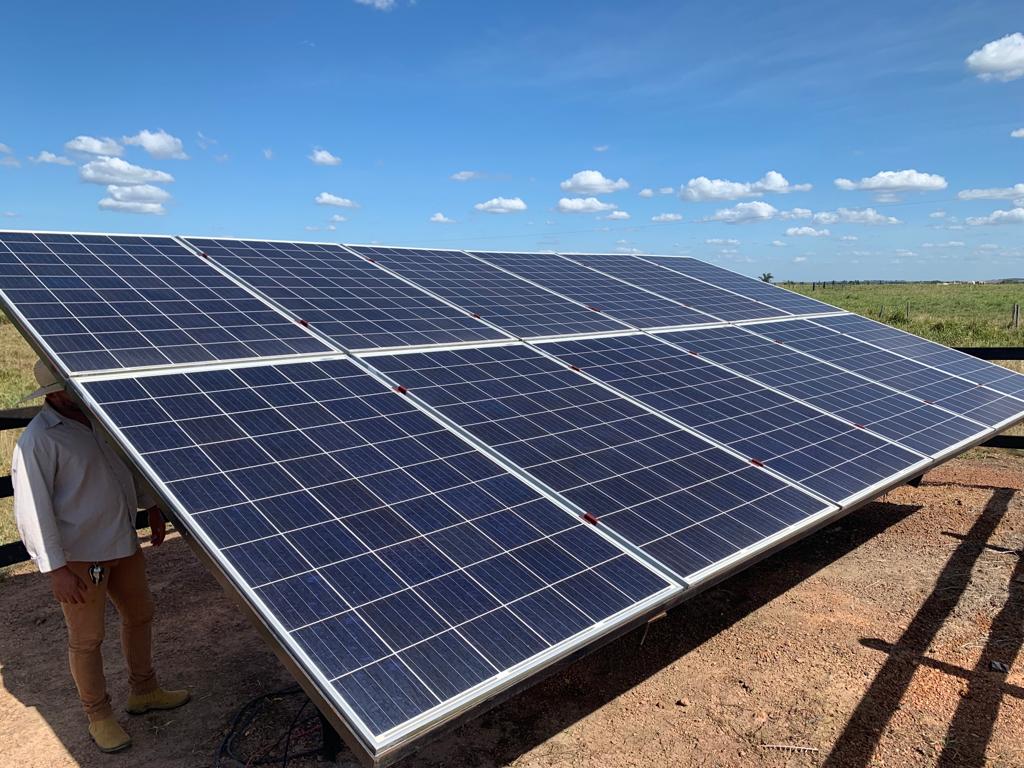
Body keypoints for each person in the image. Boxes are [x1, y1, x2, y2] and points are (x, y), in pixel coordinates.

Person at [12, 360, 190, 754]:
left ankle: (144, 689)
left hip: (122, 542)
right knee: (87, 638)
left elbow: (125, 466)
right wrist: (55, 569)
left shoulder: (99, 420)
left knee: (140, 614)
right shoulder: (38, 440)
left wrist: (151, 507)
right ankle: (98, 715)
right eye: (70, 386)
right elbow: (31, 509)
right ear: (54, 393)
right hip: (82, 557)